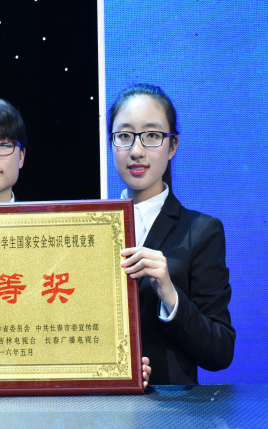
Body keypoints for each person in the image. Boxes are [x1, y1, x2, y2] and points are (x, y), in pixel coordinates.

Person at [0, 95, 152, 387]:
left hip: (33, 387)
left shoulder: (54, 236)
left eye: (4, 144)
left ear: (21, 156)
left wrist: (121, 365)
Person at [109, 83, 236, 385]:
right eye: (124, 136)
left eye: (152, 136)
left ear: (173, 145)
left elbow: (220, 351)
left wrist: (169, 294)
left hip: (173, 406)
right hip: (101, 404)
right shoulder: (91, 229)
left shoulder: (201, 231)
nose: (136, 151)